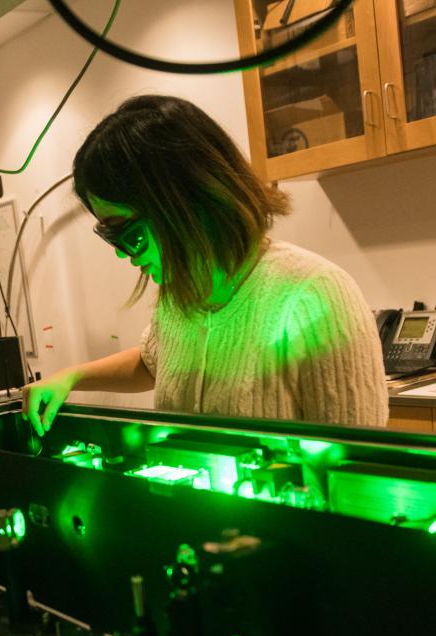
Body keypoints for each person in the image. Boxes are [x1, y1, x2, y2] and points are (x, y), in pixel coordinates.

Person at [23, 95, 387, 435]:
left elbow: (359, 462)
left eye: (128, 233)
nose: (123, 254)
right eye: (109, 235)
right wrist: (70, 377)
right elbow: (155, 362)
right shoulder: (180, 295)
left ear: (187, 204)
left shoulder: (316, 296)